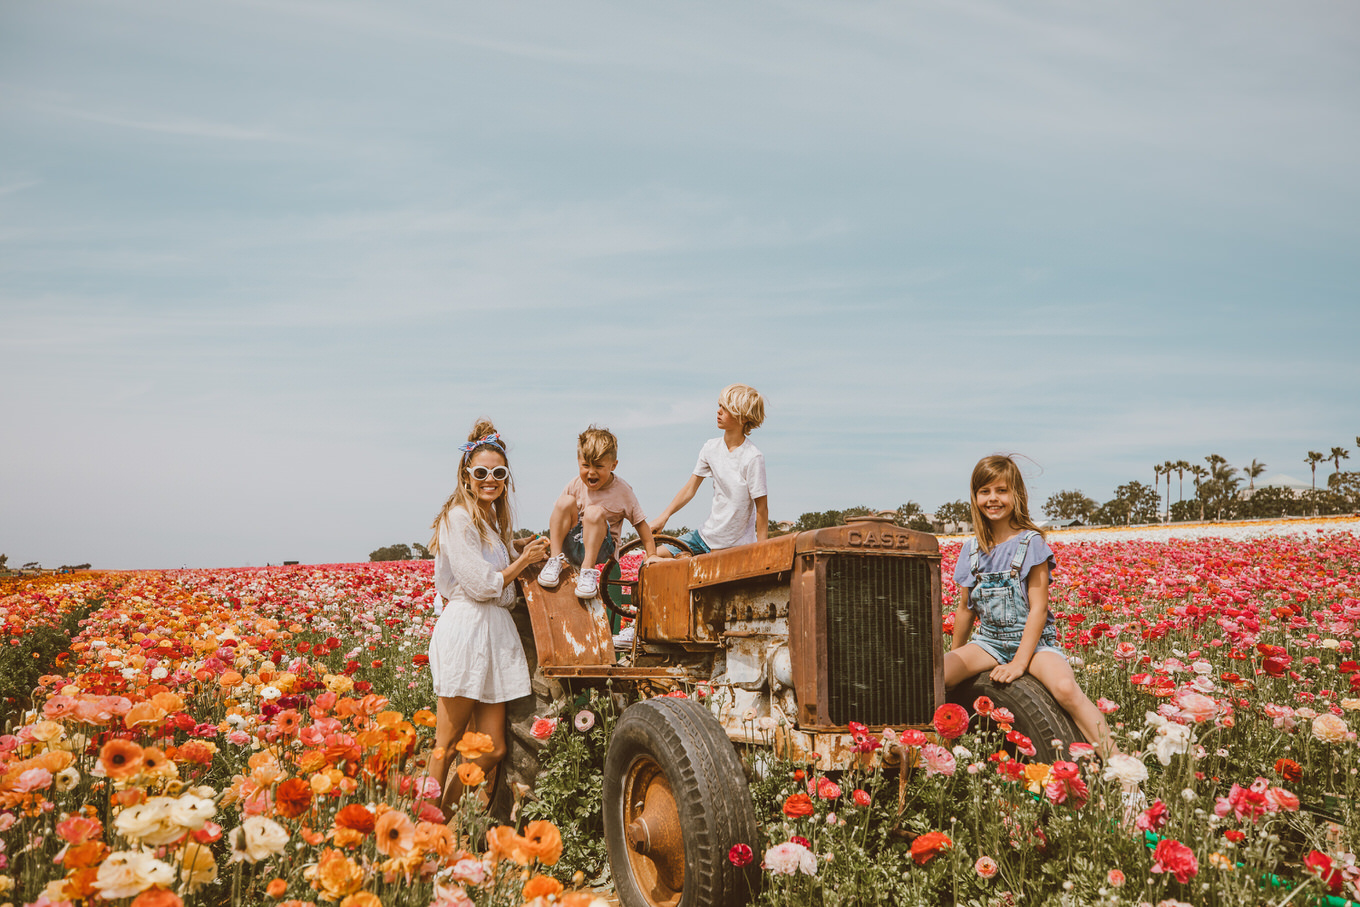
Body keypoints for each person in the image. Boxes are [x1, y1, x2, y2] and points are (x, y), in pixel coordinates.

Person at [943, 454, 1116, 760]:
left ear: (1016, 495)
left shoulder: (1030, 542)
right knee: (938, 675)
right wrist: (955, 663)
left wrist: (1020, 663)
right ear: (975, 496)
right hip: (989, 642)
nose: (993, 499)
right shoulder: (971, 549)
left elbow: (1038, 609)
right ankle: (941, 750)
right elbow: (965, 609)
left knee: (1064, 688)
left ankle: (1122, 769)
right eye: (985, 491)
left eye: (1001, 491)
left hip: (1034, 644)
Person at [426, 420, 549, 819]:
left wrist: (515, 548)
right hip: (469, 631)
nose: (490, 480)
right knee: (447, 742)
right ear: (466, 475)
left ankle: (439, 814)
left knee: (493, 747)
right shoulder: (458, 518)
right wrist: (522, 562)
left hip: (493, 635)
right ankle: (424, 826)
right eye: (481, 473)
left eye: (499, 473)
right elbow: (480, 584)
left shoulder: (490, 521)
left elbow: (490, 563)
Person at [649, 383, 768, 557]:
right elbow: (690, 489)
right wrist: (664, 517)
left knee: (702, 574)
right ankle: (684, 560)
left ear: (743, 418)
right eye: (719, 406)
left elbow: (762, 508)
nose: (718, 411)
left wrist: (763, 549)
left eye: (725, 409)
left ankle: (686, 561)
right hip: (703, 537)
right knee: (651, 559)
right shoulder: (710, 448)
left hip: (733, 545)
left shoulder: (752, 457)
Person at [537, 425, 656, 598]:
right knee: (564, 501)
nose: (591, 472)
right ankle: (554, 560)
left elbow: (640, 524)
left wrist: (651, 554)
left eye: (599, 466)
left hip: (601, 548)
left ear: (613, 465)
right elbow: (559, 515)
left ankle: (587, 571)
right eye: (585, 465)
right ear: (578, 461)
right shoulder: (575, 484)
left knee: (593, 513)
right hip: (574, 542)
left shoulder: (623, 491)